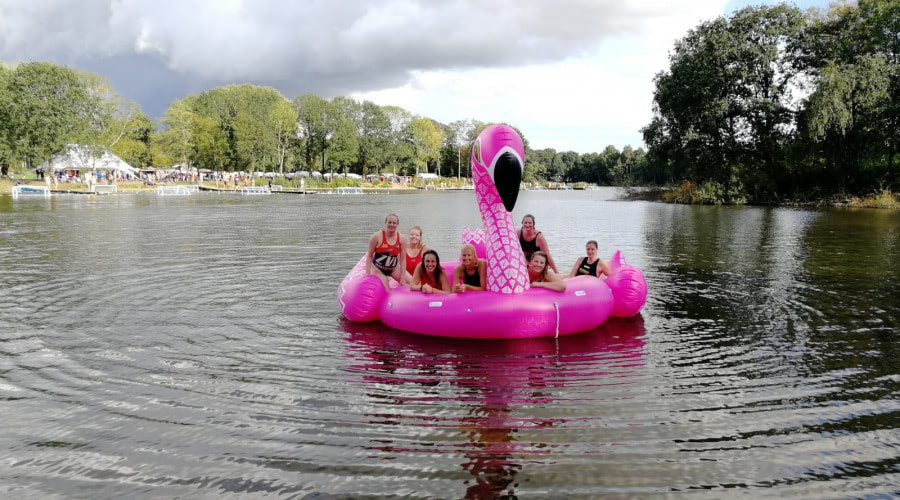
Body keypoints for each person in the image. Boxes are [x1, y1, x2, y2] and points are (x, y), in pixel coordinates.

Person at [366, 214, 407, 290]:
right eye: (389, 222)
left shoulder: (402, 239)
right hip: (378, 269)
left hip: (393, 268)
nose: (392, 225)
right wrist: (367, 274)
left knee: (411, 283)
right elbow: (369, 256)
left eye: (394, 223)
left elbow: (403, 259)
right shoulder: (376, 237)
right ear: (386, 223)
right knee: (387, 290)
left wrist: (402, 277)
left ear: (397, 224)